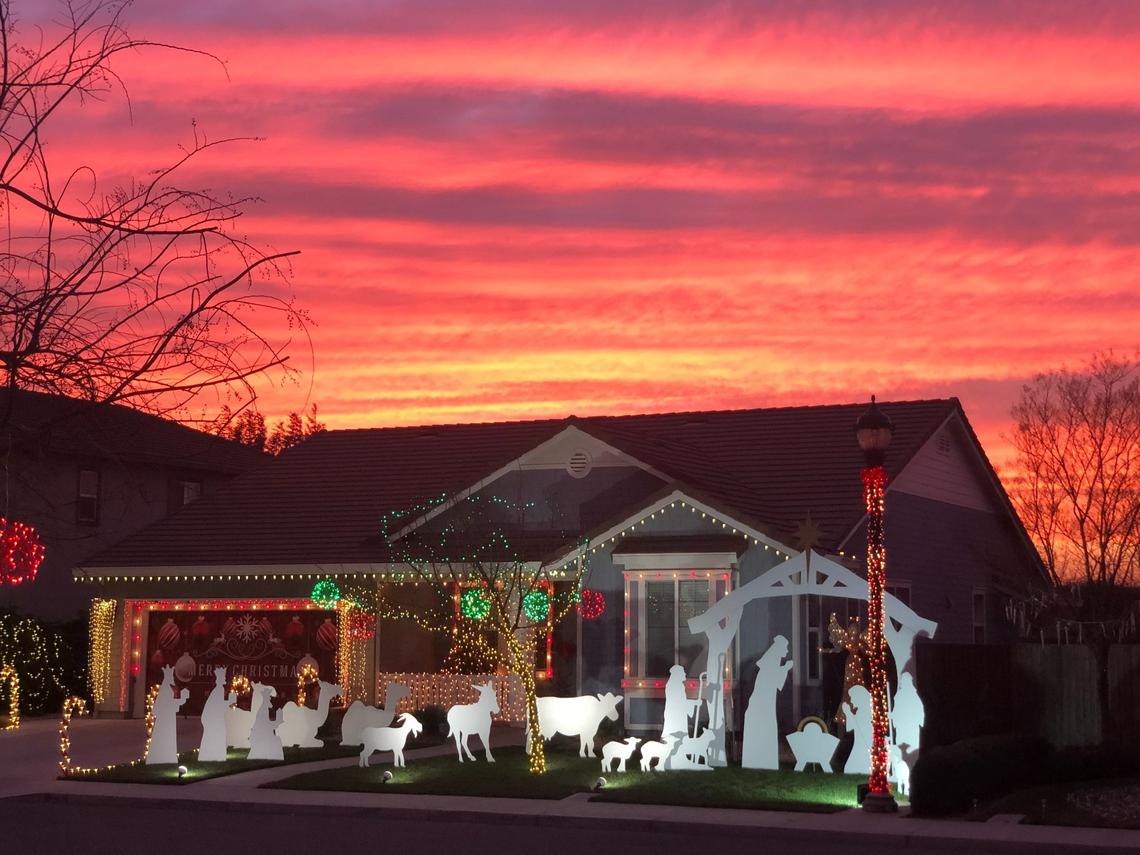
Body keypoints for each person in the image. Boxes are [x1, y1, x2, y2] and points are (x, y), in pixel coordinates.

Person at [741, 635, 792, 769]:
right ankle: (759, 760)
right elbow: (777, 682)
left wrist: (784, 668)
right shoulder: (770, 664)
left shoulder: (771, 664)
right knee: (763, 731)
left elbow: (776, 682)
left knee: (766, 731)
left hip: (764, 706)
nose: (786, 652)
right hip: (761, 707)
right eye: (785, 649)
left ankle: (765, 761)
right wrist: (786, 668)